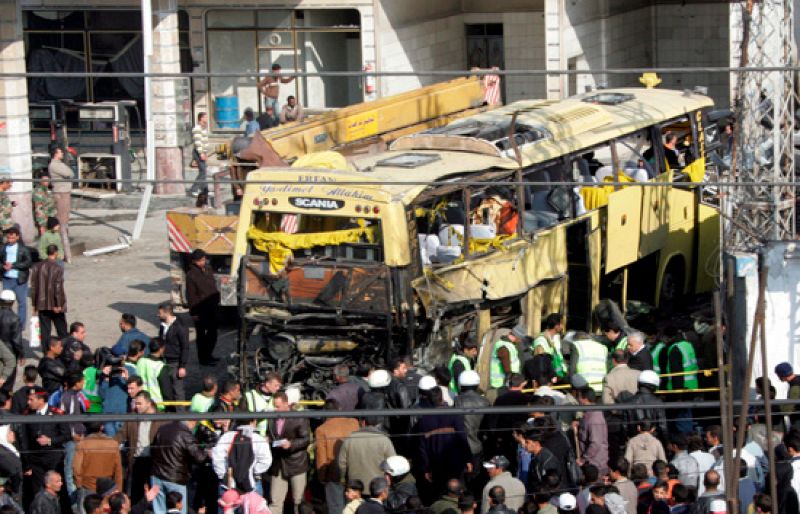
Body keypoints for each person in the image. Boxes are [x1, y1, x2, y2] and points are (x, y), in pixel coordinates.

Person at [20, 387, 71, 510]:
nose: (28, 402)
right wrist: (27, 462)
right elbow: (25, 439)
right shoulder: (28, 414)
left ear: (41, 400)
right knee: (37, 491)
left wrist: (50, 440)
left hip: (53, 459)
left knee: (57, 490)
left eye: (31, 399)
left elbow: (66, 435)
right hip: (36, 461)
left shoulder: (56, 413)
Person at [413, 386, 472, 491]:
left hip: (436, 465)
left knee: (440, 491)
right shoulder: (454, 414)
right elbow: (462, 437)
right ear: (442, 398)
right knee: (457, 489)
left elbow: (422, 448)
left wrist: (426, 468)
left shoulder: (424, 421)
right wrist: (468, 459)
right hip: (456, 463)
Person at [115, 391, 166, 504]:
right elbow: (121, 434)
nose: (136, 407)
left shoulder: (161, 419)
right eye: (135, 403)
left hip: (154, 462)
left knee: (155, 493)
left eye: (139, 404)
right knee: (136, 493)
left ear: (148, 403)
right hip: (136, 460)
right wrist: (111, 445)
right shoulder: (133, 417)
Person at [150, 418, 207, 514]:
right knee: (178, 510)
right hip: (176, 478)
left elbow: (152, 450)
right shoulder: (185, 434)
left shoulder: (162, 428)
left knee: (159, 510)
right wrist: (206, 451)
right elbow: (199, 457)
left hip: (157, 475)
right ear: (192, 422)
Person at [268, 390, 310, 514]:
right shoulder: (272, 419)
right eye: (274, 406)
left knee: (298, 501)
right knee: (275, 500)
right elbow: (270, 435)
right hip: (278, 464)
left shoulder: (299, 417)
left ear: (287, 404)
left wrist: (291, 444)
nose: (276, 409)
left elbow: (306, 439)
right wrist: (268, 439)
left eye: (278, 406)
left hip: (296, 464)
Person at [315, 398, 359, 514]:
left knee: (336, 508)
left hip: (333, 474)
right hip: (353, 472)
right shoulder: (353, 423)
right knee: (354, 507)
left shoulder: (321, 429)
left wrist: (322, 477)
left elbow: (321, 457)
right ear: (339, 408)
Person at [212, 417, 272, 493]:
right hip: (252, 485)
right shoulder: (258, 439)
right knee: (253, 505)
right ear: (253, 422)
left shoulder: (226, 437)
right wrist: (253, 472)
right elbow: (266, 460)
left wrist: (223, 475)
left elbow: (217, 459)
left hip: (228, 484)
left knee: (229, 505)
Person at [338, 414, 396, 488]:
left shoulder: (349, 439)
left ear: (363, 423)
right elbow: (392, 462)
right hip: (378, 487)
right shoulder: (384, 440)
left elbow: (342, 464)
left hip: (355, 487)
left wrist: (343, 478)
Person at [73, 422, 123, 507]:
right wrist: (118, 489)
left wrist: (79, 485)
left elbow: (76, 468)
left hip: (88, 486)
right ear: (102, 427)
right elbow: (118, 470)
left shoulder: (82, 444)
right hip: (107, 487)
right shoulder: (113, 444)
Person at [185, 249, 220, 366]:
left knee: (213, 334)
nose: (203, 262)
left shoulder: (208, 269)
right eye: (200, 260)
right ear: (195, 261)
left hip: (212, 306)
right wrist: (193, 312)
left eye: (204, 259)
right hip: (200, 309)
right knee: (201, 336)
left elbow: (213, 285)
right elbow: (191, 295)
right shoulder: (191, 275)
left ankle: (209, 355)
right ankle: (204, 359)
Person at [31, 244, 67, 345]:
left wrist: (34, 304)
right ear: (55, 252)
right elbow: (58, 288)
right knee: (62, 330)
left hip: (41, 304)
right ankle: (64, 351)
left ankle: (46, 352)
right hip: (55, 305)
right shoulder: (58, 268)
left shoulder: (37, 267)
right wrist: (58, 304)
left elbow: (34, 287)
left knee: (45, 331)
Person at [453, 370, 489, 470]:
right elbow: (487, 426)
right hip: (478, 446)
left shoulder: (457, 401)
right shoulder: (485, 402)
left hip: (460, 446)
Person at [622, 370, 667, 439]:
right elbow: (662, 427)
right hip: (653, 442)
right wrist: (666, 444)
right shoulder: (658, 402)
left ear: (639, 384)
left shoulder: (628, 402)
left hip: (634, 442)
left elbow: (624, 427)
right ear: (653, 386)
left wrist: (623, 443)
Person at [157, 302, 188, 401]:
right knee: (166, 388)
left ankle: (180, 414)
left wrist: (182, 366)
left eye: (160, 313)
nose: (158, 315)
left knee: (177, 390)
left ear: (167, 313)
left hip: (175, 363)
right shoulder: (162, 325)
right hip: (164, 361)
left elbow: (185, 347)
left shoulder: (180, 327)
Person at [0, 227, 31, 327]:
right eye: (9, 238)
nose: (10, 240)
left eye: (12, 238)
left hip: (19, 280)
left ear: (17, 237)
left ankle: (20, 326)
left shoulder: (23, 249)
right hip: (7, 279)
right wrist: (3, 266)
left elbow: (28, 263)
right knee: (5, 303)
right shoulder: (3, 248)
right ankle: (6, 324)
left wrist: (13, 265)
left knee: (21, 303)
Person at [47, 146, 73, 262]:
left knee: (65, 218)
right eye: (60, 152)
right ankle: (62, 249)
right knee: (62, 220)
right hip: (61, 193)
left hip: (64, 192)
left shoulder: (59, 163)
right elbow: (69, 173)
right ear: (55, 154)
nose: (62, 153)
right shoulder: (55, 165)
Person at [577, 388, 609, 476]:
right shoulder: (589, 414)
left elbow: (595, 443)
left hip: (596, 465)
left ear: (585, 399)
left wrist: (583, 459)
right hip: (591, 463)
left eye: (579, 398)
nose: (578, 401)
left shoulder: (594, 418)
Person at [136, 338, 174, 409]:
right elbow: (166, 391)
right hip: (157, 406)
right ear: (161, 349)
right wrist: (171, 407)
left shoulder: (140, 361)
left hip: (140, 405)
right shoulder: (160, 366)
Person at [242, 371, 282, 436]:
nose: (278, 388)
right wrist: (257, 417)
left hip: (271, 439)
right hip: (253, 437)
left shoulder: (277, 397)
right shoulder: (249, 395)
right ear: (267, 384)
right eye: (276, 385)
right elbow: (241, 416)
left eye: (279, 386)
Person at [490, 324, 523, 392]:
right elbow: (507, 369)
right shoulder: (504, 347)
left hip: (506, 383)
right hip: (501, 385)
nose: (521, 341)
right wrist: (511, 382)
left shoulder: (508, 344)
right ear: (517, 337)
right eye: (521, 339)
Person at [533, 313, 567, 378]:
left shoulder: (556, 338)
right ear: (556, 326)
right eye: (561, 324)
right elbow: (539, 364)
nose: (562, 327)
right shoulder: (540, 340)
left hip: (559, 375)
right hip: (548, 378)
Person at [775, 362, 800, 429]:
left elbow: (787, 410)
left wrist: (775, 407)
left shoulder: (795, 386)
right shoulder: (797, 380)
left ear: (781, 375)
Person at [191, 112, 209, 196]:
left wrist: (205, 153)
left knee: (204, 171)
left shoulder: (203, 128)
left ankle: (204, 190)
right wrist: (201, 153)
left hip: (203, 152)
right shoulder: (197, 129)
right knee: (203, 171)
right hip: (198, 152)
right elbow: (198, 142)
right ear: (201, 118)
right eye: (205, 117)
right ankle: (194, 189)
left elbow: (204, 141)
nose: (206, 119)